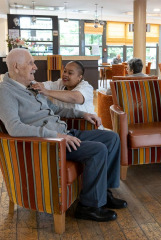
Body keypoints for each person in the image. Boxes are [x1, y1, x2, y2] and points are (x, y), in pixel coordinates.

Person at [0, 48, 127, 222]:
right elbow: (14, 128)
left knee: (111, 138)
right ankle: (88, 207)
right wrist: (56, 136)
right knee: (98, 150)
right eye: (31, 63)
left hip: (64, 133)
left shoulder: (30, 86)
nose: (35, 67)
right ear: (16, 66)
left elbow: (54, 109)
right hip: (50, 144)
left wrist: (81, 115)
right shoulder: (5, 92)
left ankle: (103, 193)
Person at [31, 61, 96, 114]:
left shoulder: (86, 87)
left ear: (79, 77)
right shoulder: (59, 83)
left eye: (70, 73)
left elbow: (75, 97)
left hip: (85, 125)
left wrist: (47, 92)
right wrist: (28, 78)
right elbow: (40, 86)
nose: (65, 75)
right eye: (64, 71)